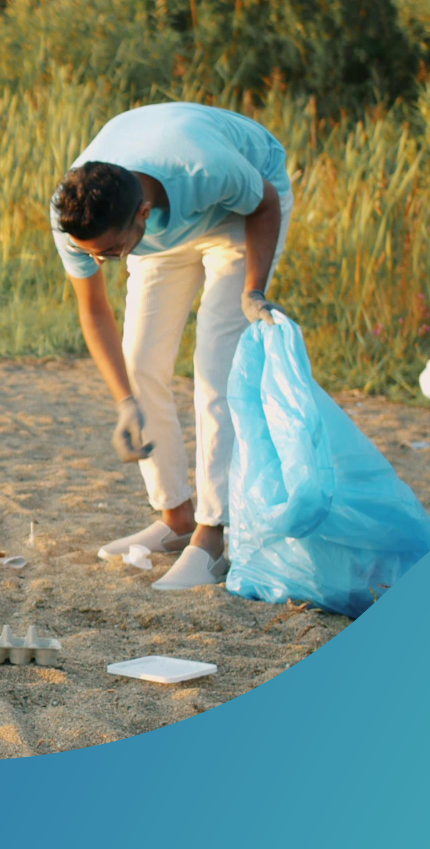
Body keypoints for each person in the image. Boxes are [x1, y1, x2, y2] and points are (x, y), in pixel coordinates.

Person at [49, 102, 294, 591]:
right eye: (91, 252)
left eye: (111, 253)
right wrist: (124, 404)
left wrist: (253, 292)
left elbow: (264, 203)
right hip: (161, 232)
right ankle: (177, 517)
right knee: (140, 364)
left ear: (142, 214)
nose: (101, 261)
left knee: (214, 369)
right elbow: (94, 309)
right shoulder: (74, 216)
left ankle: (213, 535)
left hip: (237, 214)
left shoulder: (205, 167)